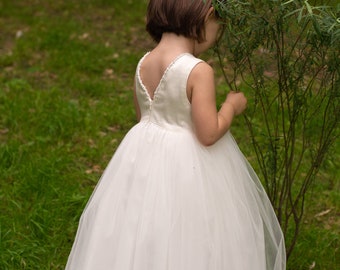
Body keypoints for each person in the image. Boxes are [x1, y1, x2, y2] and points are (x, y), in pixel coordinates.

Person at [65, 0, 286, 269]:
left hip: (141, 156)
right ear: (204, 18)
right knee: (190, 228)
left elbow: (143, 117)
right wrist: (231, 106)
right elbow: (208, 133)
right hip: (187, 165)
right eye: (218, 25)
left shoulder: (143, 62)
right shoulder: (198, 70)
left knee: (142, 221)